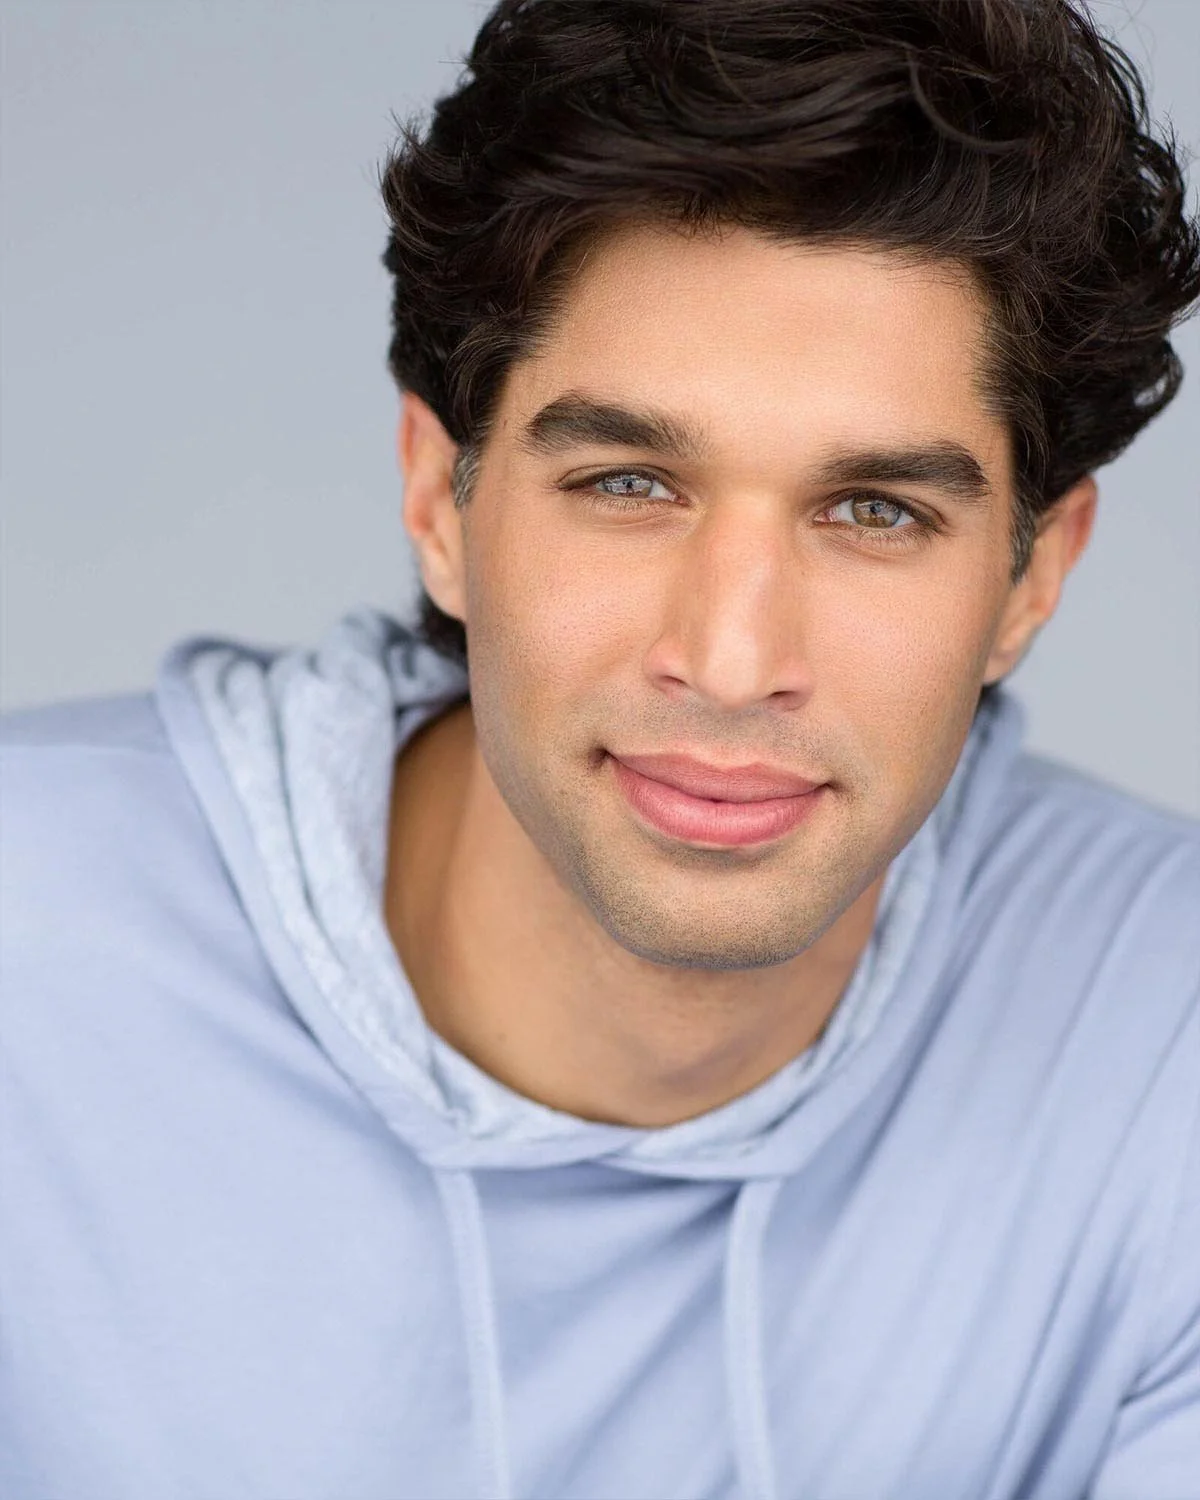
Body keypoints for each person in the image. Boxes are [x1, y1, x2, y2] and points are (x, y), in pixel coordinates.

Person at [3, 0, 1199, 1496]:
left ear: (1032, 575)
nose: (734, 656)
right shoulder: (25, 958)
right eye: (631, 482)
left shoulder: (1169, 1040)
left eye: (876, 511)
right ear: (443, 497)